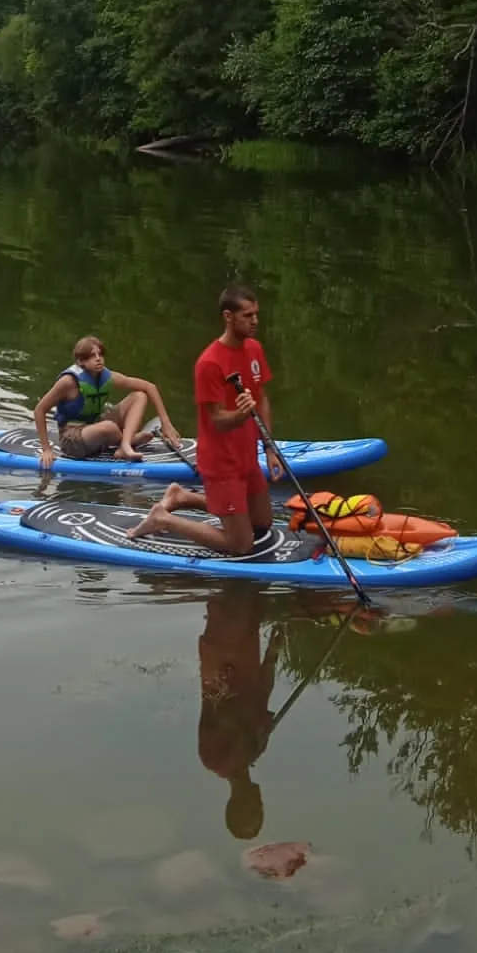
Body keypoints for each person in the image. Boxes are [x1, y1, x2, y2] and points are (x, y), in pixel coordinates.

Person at [129, 285, 273, 552]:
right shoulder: (209, 363)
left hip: (247, 455)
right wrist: (242, 414)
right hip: (221, 462)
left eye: (256, 315)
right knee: (240, 544)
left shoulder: (254, 349)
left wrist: (269, 447)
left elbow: (262, 398)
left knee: (262, 524)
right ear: (228, 317)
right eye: (247, 316)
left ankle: (182, 496)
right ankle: (164, 518)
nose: (255, 321)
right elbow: (217, 420)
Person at [196, 586, 279, 839]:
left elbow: (218, 713)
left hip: (225, 655)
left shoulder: (214, 759)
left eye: (251, 807)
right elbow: (263, 693)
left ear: (235, 803)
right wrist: (273, 653)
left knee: (231, 594)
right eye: (259, 807)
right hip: (245, 650)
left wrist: (250, 734)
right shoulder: (256, 748)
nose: (258, 799)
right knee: (251, 598)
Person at [33, 336, 184, 471]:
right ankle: (130, 440)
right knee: (109, 427)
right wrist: (46, 449)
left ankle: (125, 445)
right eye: (92, 356)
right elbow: (39, 410)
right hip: (72, 438)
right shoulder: (68, 382)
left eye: (100, 354)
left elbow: (149, 387)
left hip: (96, 425)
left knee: (139, 396)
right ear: (80, 361)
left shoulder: (108, 376)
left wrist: (166, 423)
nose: (98, 359)